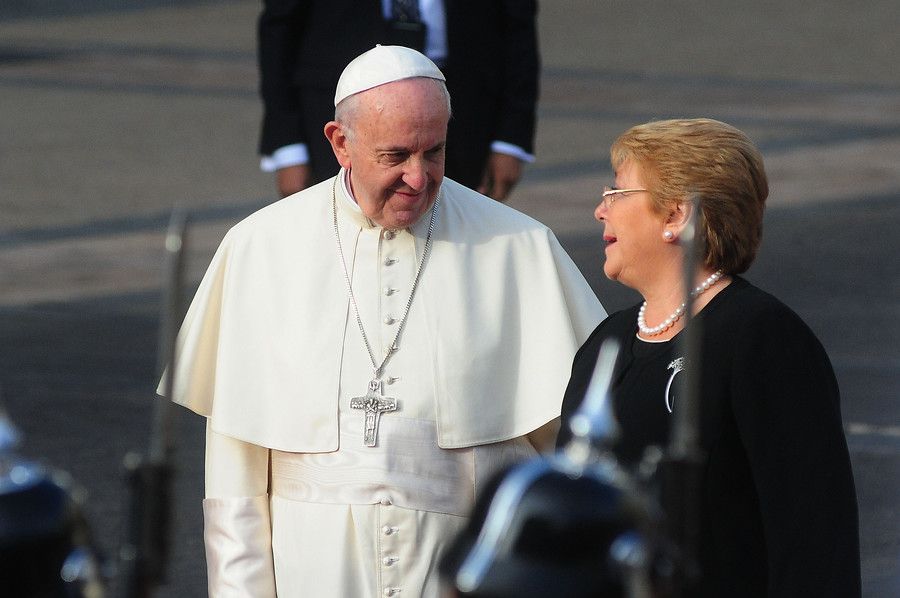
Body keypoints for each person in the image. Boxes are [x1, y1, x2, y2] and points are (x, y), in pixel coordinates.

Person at [164, 45, 605, 597]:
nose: (418, 179)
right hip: (314, 571)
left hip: (465, 571)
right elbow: (235, 481)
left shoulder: (517, 246)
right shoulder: (259, 249)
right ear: (340, 142)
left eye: (435, 153)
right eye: (395, 156)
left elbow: (575, 457)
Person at [556, 118, 861, 597]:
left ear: (677, 216)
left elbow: (813, 532)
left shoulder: (761, 335)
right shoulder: (608, 343)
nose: (600, 211)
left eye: (617, 193)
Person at [258, 0, 539, 201]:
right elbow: (279, 29)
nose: (415, 177)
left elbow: (519, 27)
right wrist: (288, 146)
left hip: (466, 113)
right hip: (345, 109)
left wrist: (510, 138)